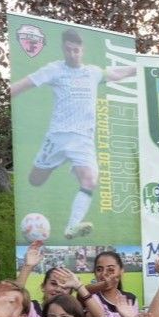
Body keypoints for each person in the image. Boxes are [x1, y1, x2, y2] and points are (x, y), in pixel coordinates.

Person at [10, 29, 137, 240]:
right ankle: (62, 163)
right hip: (57, 137)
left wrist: (139, 68)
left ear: (82, 50)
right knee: (35, 180)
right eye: (68, 50)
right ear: (63, 48)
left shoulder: (93, 73)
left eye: (76, 50)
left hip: (83, 140)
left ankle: (72, 227)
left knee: (89, 180)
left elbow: (117, 73)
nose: (72, 54)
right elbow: (22, 85)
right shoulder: (54, 69)